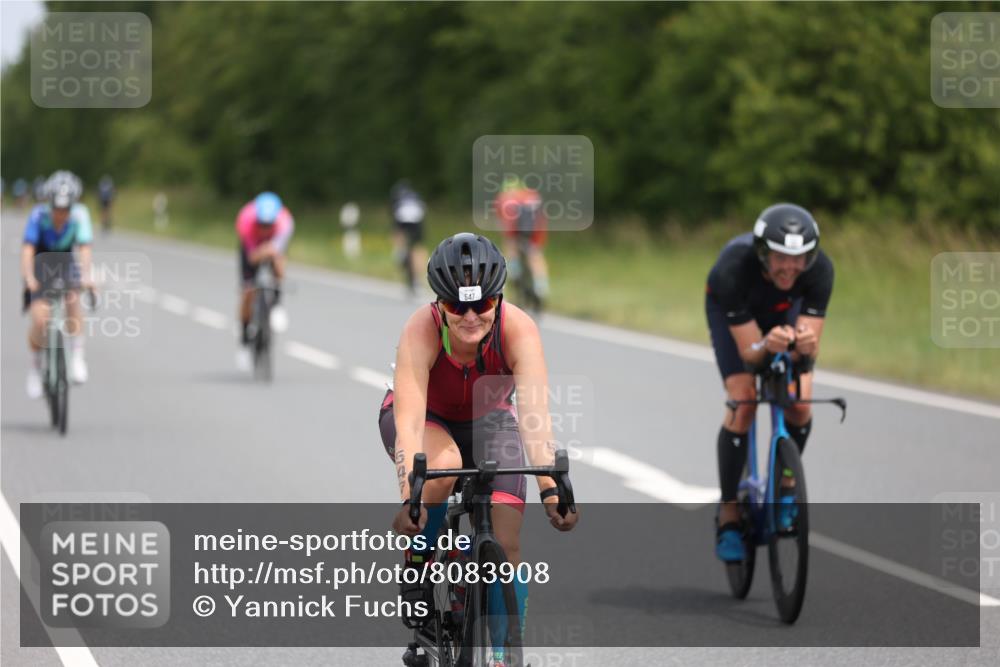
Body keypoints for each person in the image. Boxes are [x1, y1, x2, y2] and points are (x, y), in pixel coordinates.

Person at [380, 232, 577, 665]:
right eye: (456, 307)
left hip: (489, 419)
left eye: (482, 305)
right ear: (440, 305)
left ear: (498, 299)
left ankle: (506, 654)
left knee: (506, 540)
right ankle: (418, 561)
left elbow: (534, 418)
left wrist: (550, 488)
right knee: (444, 465)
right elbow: (410, 424)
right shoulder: (420, 328)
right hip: (426, 418)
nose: (470, 317)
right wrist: (409, 497)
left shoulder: (518, 328)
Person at [705, 203, 834, 562]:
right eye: (780, 258)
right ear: (763, 252)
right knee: (744, 399)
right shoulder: (731, 269)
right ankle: (729, 515)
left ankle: (787, 486)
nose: (790, 267)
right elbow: (750, 355)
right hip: (735, 315)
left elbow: (806, 353)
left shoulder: (820, 270)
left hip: (783, 312)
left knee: (800, 402)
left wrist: (803, 349)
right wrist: (766, 346)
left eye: (799, 258)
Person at [21, 171, 95, 397]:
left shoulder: (80, 215)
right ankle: (35, 368)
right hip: (41, 264)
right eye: (57, 208)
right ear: (49, 202)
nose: (61, 214)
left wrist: (85, 276)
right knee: (41, 320)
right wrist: (28, 278)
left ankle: (77, 356)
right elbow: (28, 250)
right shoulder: (37, 215)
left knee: (73, 298)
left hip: (65, 262)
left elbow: (84, 248)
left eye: (66, 209)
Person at [235, 191, 294, 371]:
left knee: (278, 263)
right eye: (262, 224)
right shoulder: (245, 221)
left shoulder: (285, 222)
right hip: (251, 247)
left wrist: (271, 251)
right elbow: (252, 257)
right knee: (248, 291)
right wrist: (262, 251)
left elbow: (278, 251)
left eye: (269, 225)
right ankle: (245, 338)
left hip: (272, 247)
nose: (265, 228)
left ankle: (276, 304)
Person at [494, 176, 550, 304]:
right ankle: (541, 285)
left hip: (514, 230)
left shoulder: (502, 197)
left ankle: (514, 269)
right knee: (535, 254)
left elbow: (502, 223)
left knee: (510, 244)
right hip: (535, 230)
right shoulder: (531, 194)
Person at [390, 180, 427, 295]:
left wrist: (397, 243)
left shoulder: (396, 198)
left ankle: (400, 252)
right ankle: (418, 279)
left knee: (399, 237)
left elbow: (396, 225)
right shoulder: (416, 196)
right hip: (418, 221)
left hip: (403, 219)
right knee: (418, 247)